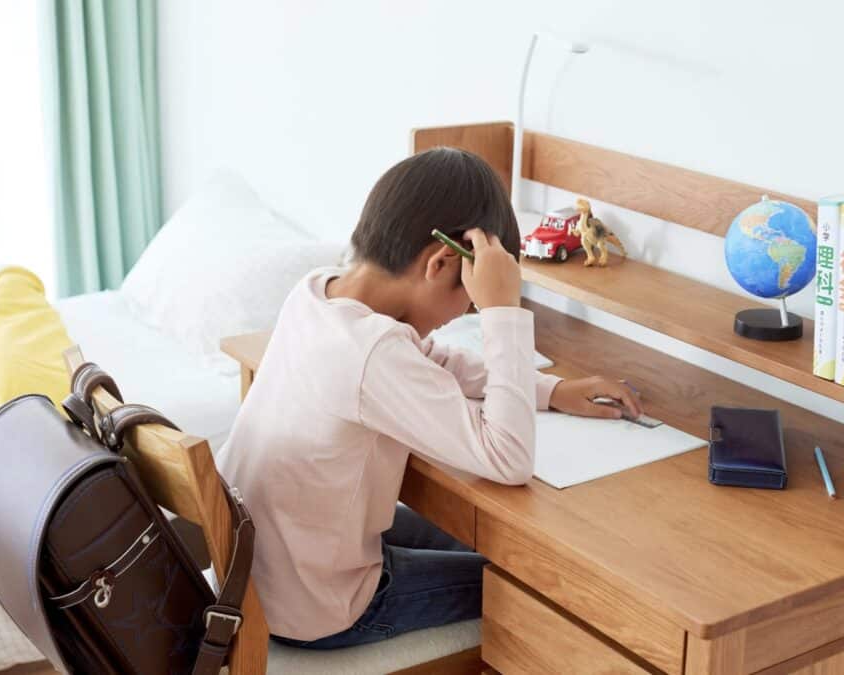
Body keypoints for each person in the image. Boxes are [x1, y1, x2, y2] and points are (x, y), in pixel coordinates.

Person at [217, 147, 642, 649]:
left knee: (477, 541)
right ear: (442, 263)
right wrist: (502, 310)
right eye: (469, 295)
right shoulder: (372, 352)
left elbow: (429, 360)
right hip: (321, 606)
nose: (464, 312)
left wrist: (553, 390)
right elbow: (507, 458)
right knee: (529, 585)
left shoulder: (317, 293)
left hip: (263, 574)